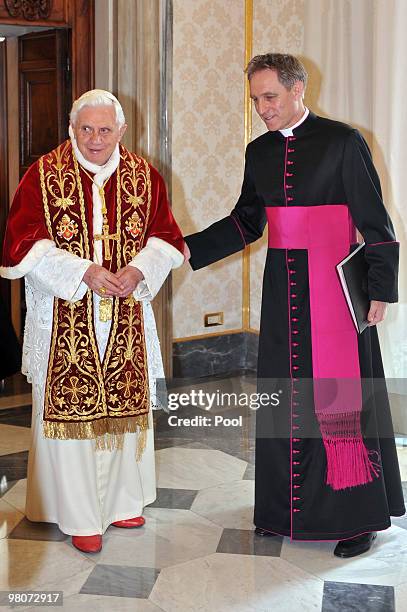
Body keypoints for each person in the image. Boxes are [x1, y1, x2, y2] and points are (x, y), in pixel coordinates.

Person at [184, 53, 405, 557]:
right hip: (282, 289)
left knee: (338, 397)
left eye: (271, 97)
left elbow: (377, 223)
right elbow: (246, 222)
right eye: (256, 99)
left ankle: (355, 519)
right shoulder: (258, 151)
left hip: (336, 291)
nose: (262, 108)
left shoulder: (344, 141)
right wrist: (185, 247)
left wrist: (380, 291)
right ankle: (282, 511)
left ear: (298, 89)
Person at [0, 89, 185, 553]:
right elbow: (23, 244)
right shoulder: (42, 175)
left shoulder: (145, 176)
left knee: (126, 407)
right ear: (71, 128)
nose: (96, 139)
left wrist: (138, 270)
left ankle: (123, 500)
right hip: (67, 310)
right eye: (87, 129)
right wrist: (84, 271)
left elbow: (166, 237)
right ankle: (78, 513)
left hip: (126, 311)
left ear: (121, 131)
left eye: (105, 129)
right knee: (71, 414)